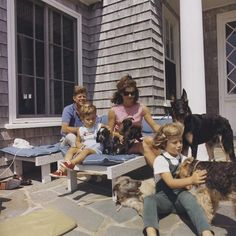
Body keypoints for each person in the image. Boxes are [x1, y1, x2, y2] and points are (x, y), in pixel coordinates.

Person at [143, 122, 214, 236]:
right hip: (163, 199)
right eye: (174, 142)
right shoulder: (160, 160)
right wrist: (191, 180)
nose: (179, 145)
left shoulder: (185, 159)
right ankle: (151, 232)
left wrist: (195, 178)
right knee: (149, 200)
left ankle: (206, 232)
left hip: (181, 198)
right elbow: (170, 183)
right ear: (164, 144)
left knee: (191, 200)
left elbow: (193, 176)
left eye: (180, 141)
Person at [108, 74, 161, 166]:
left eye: (132, 93)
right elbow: (109, 131)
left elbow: (154, 125)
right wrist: (119, 136)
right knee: (143, 146)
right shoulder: (114, 110)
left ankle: (166, 167)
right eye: (126, 93)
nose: (130, 95)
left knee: (152, 141)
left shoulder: (142, 108)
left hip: (136, 140)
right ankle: (162, 173)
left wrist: (166, 133)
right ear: (121, 93)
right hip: (122, 144)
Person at [50, 103, 105, 177]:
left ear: (95, 117)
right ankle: (62, 170)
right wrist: (79, 145)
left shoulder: (98, 126)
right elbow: (77, 141)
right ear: (82, 119)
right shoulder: (81, 129)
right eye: (88, 119)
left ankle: (72, 163)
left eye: (93, 118)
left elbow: (109, 128)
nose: (91, 121)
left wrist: (113, 132)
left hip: (95, 149)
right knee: (72, 149)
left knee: (86, 150)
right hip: (84, 147)